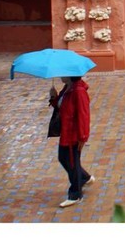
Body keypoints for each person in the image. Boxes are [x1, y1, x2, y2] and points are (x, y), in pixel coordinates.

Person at [50, 76, 93, 208]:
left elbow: (83, 115)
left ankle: (75, 194)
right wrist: (53, 98)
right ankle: (84, 178)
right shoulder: (67, 88)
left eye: (63, 73)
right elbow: (61, 106)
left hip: (74, 134)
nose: (61, 76)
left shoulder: (78, 91)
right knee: (65, 158)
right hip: (66, 132)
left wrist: (83, 136)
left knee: (71, 161)